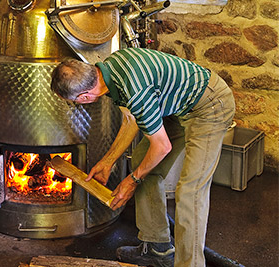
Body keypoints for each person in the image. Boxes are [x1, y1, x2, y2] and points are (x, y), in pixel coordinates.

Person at [50, 47, 235, 267]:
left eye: (73, 102)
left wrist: (132, 180)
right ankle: (157, 248)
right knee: (141, 162)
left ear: (85, 96)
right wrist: (108, 161)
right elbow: (131, 121)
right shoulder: (109, 73)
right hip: (176, 106)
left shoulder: (133, 89)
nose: (76, 105)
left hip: (208, 106)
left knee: (190, 192)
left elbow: (161, 147)